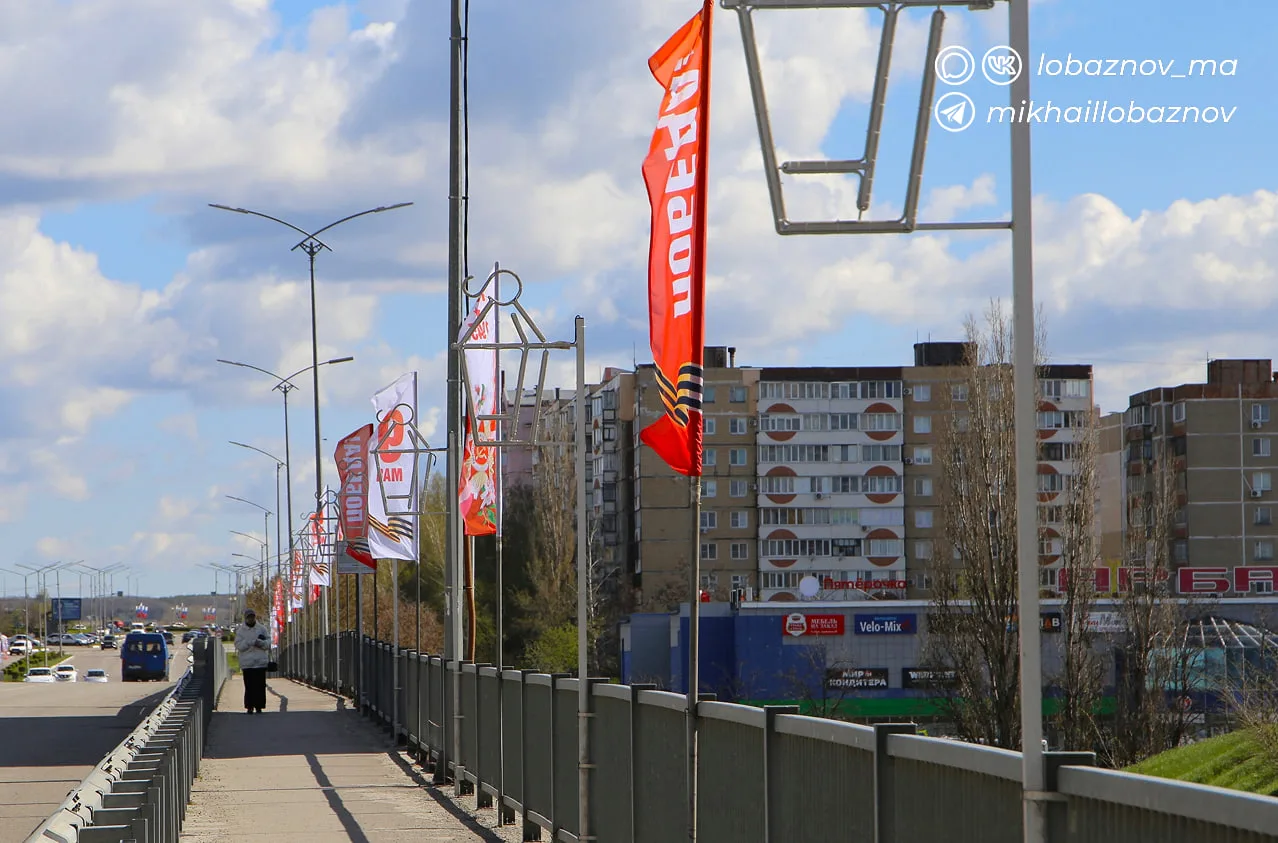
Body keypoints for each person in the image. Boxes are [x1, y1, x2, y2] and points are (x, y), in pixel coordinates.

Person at [234, 609, 270, 714]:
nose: (251, 619)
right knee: (249, 686)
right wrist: (249, 642)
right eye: (249, 617)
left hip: (260, 663)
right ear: (246, 618)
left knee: (260, 686)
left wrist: (260, 643)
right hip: (247, 664)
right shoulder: (241, 631)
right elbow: (238, 645)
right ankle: (249, 706)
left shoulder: (262, 629)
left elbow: (268, 643)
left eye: (252, 617)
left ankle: (259, 706)